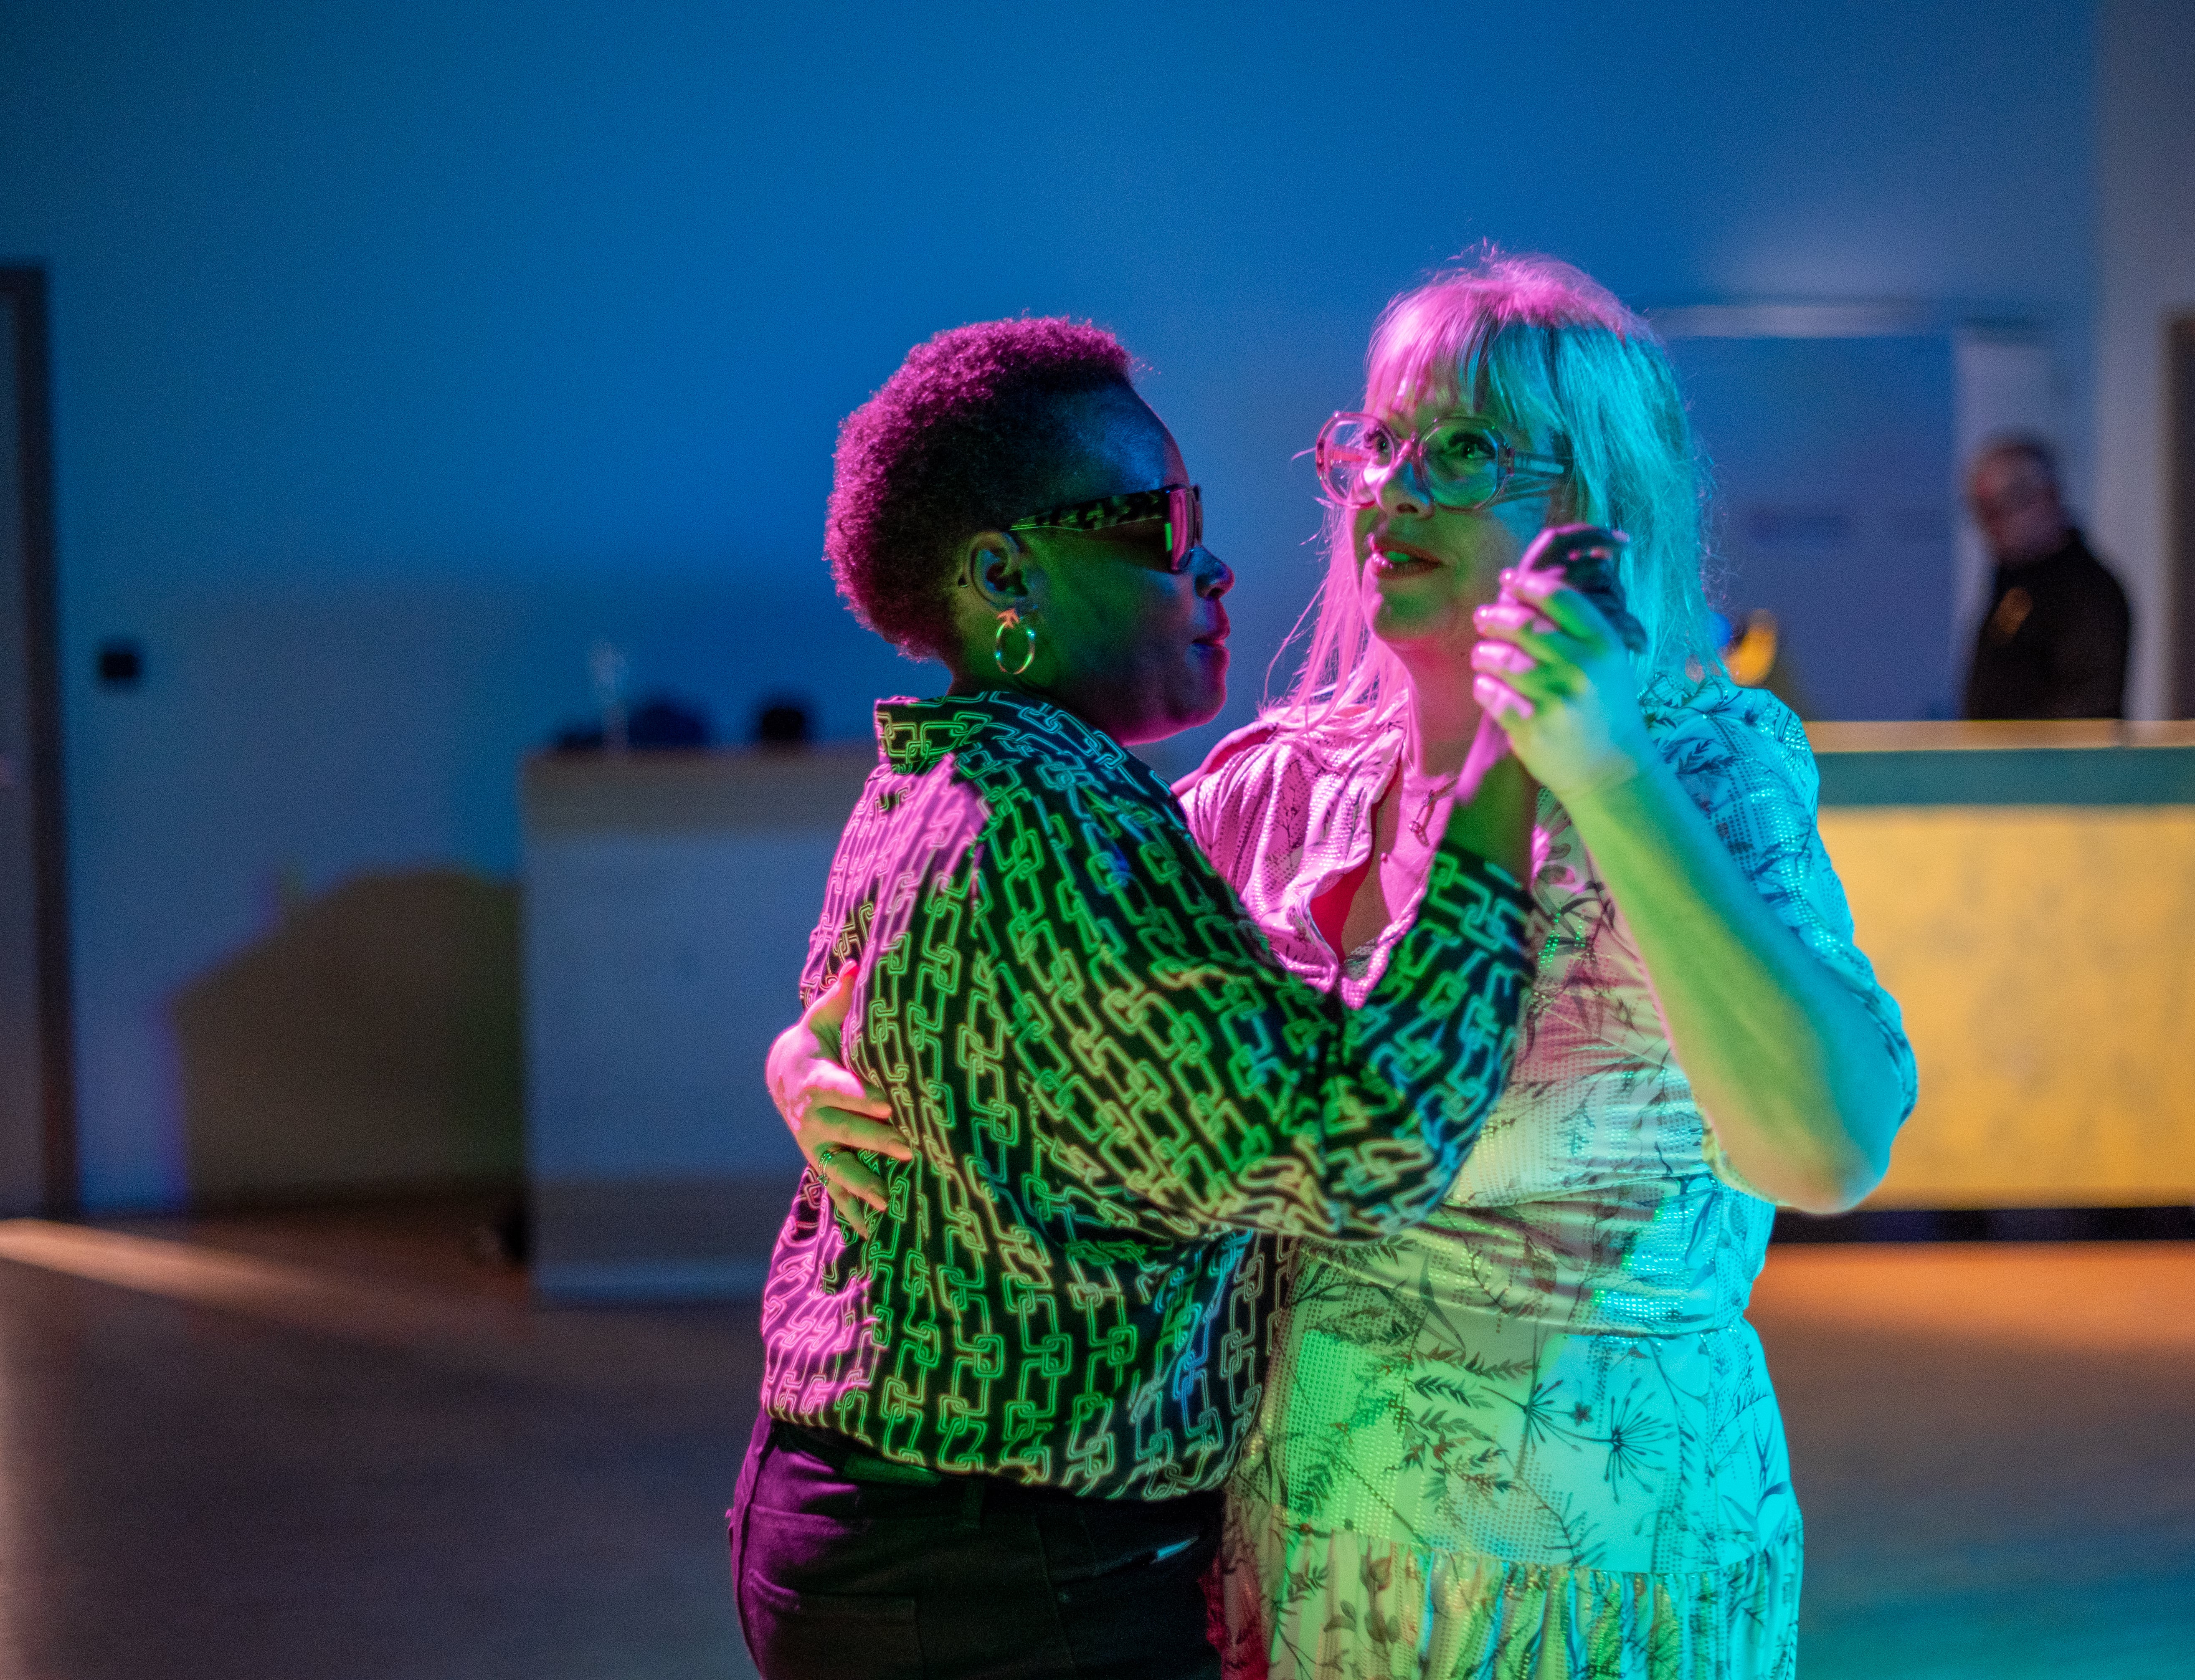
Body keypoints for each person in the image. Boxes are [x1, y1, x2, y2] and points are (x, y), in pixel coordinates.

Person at [784, 258, 1916, 1678]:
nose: (1392, 487)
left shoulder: (1705, 769)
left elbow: (1828, 1146)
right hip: (1306, 1563)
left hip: (1598, 1585)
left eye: (1462, 452)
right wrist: (808, 1059)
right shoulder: (1276, 787)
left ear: (1592, 510)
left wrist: (1602, 767)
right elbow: (1038, 978)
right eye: (1375, 441)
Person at [734, 317, 1542, 1680]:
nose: (1212, 564)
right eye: (1165, 525)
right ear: (1004, 573)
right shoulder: (1053, 822)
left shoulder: (944, 777)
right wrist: (1504, 786)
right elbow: (1363, 1142)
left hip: (884, 1520)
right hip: (999, 1571)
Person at [1961, 435, 2132, 719]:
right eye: (1983, 511)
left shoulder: (2088, 591)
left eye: (2006, 506)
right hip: (1995, 760)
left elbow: (2087, 710)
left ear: (2049, 496)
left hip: (2056, 763)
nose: (1993, 526)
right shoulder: (2013, 576)